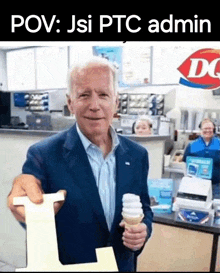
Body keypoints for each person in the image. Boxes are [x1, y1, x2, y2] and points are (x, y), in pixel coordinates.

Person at [7, 57, 153, 272]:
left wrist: (143, 230)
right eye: (84, 95)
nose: (95, 106)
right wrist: (27, 209)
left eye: (103, 95)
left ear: (116, 102)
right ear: (70, 103)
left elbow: (144, 207)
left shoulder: (137, 155)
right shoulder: (44, 154)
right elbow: (29, 210)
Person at [183, 117, 220, 198]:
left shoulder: (219, 143)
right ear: (200, 130)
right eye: (205, 128)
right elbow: (185, 163)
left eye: (210, 128)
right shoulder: (192, 145)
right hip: (197, 185)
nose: (208, 131)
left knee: (216, 207)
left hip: (217, 185)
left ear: (213, 129)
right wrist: (187, 180)